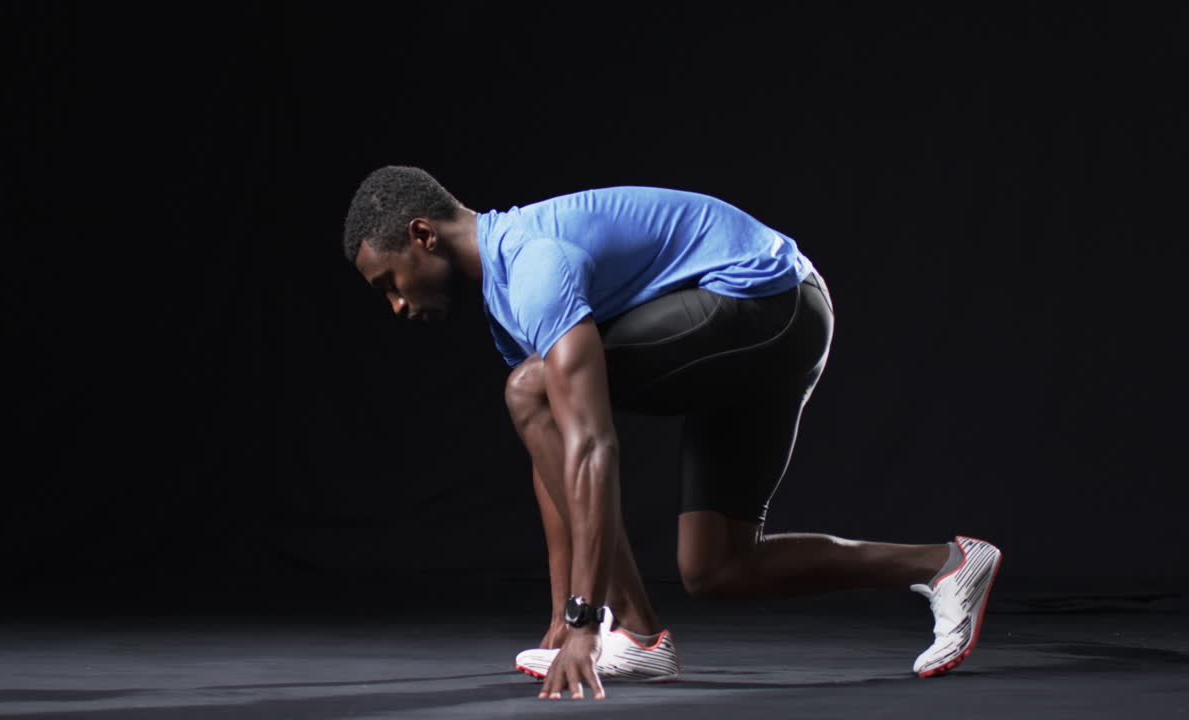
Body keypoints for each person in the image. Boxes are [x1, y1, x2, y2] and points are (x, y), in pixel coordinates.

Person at [342, 165, 1003, 701]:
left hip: (764, 302)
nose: (396, 305)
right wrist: (559, 617)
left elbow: (591, 446)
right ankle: (946, 565)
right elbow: (551, 458)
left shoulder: (533, 265)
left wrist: (581, 620)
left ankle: (633, 632)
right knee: (716, 567)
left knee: (532, 389)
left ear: (423, 235)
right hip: (776, 325)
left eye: (388, 283)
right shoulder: (506, 303)